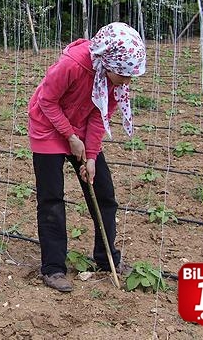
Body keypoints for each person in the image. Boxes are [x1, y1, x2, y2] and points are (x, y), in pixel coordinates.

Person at [28, 22, 146, 292]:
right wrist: (69, 136)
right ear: (109, 61)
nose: (127, 81)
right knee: (52, 199)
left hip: (80, 127)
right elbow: (47, 101)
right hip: (48, 126)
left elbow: (98, 116)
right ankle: (54, 268)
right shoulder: (71, 65)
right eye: (124, 75)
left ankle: (107, 259)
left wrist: (90, 156)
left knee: (103, 194)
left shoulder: (117, 83)